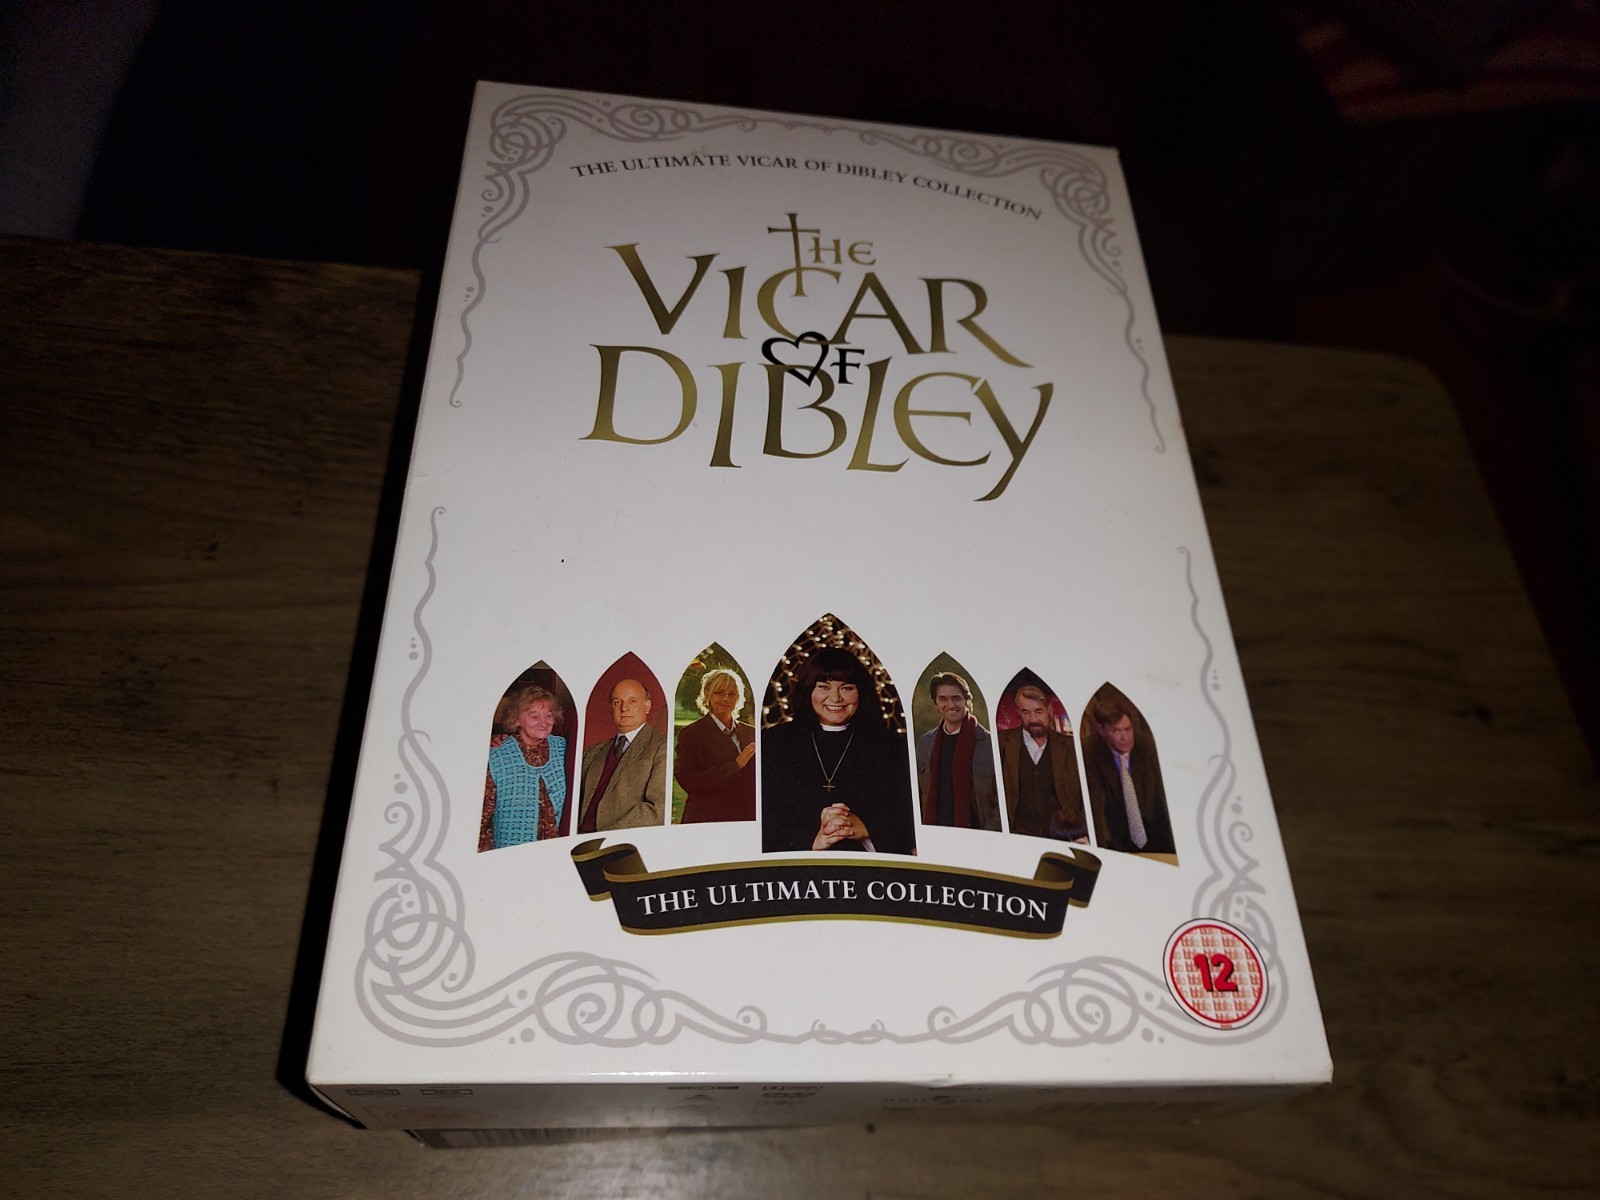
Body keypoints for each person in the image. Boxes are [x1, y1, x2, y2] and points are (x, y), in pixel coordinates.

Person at [761, 646, 916, 855]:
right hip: (796, 867)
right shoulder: (774, 743)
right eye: (824, 687)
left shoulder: (891, 746)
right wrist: (812, 840)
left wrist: (866, 828)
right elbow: (763, 819)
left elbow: (910, 816)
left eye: (846, 688)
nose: (835, 698)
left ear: (860, 693)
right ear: (808, 690)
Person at [479, 684, 570, 851]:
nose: (543, 723)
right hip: (510, 850)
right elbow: (481, 816)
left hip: (555, 850)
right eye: (534, 716)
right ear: (516, 720)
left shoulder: (564, 748)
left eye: (548, 715)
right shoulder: (497, 754)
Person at [1082, 690, 1174, 854]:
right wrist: (1102, 849)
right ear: (1101, 730)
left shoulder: (1146, 746)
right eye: (1116, 731)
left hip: (1155, 830)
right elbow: (1096, 804)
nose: (1125, 738)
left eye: (1128, 729)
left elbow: (1163, 793)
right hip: (1116, 837)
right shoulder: (1089, 752)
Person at [997, 683, 1089, 842]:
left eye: (1038, 711)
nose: (1033, 719)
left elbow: (1084, 797)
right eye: (1026, 712)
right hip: (1019, 837)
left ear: (1049, 710)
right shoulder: (1002, 743)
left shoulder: (1071, 746)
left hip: (1063, 837)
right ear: (1018, 712)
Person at [576, 677, 667, 832]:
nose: (624, 708)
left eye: (632, 701)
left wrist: (606, 837)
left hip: (619, 842)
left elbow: (658, 810)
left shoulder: (661, 746)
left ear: (647, 706)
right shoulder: (593, 752)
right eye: (617, 702)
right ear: (611, 708)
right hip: (578, 839)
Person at [915, 672, 1000, 830]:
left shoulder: (990, 744)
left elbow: (1003, 801)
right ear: (936, 703)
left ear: (967, 701)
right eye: (943, 699)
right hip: (936, 833)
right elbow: (919, 793)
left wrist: (987, 834)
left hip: (978, 835)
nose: (951, 705)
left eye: (956, 698)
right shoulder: (926, 742)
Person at [674, 668, 756, 823]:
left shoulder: (752, 733)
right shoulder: (692, 734)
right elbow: (689, 781)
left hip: (746, 819)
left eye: (732, 694)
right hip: (707, 820)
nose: (726, 698)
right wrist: (735, 766)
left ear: (739, 698)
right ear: (708, 695)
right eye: (719, 693)